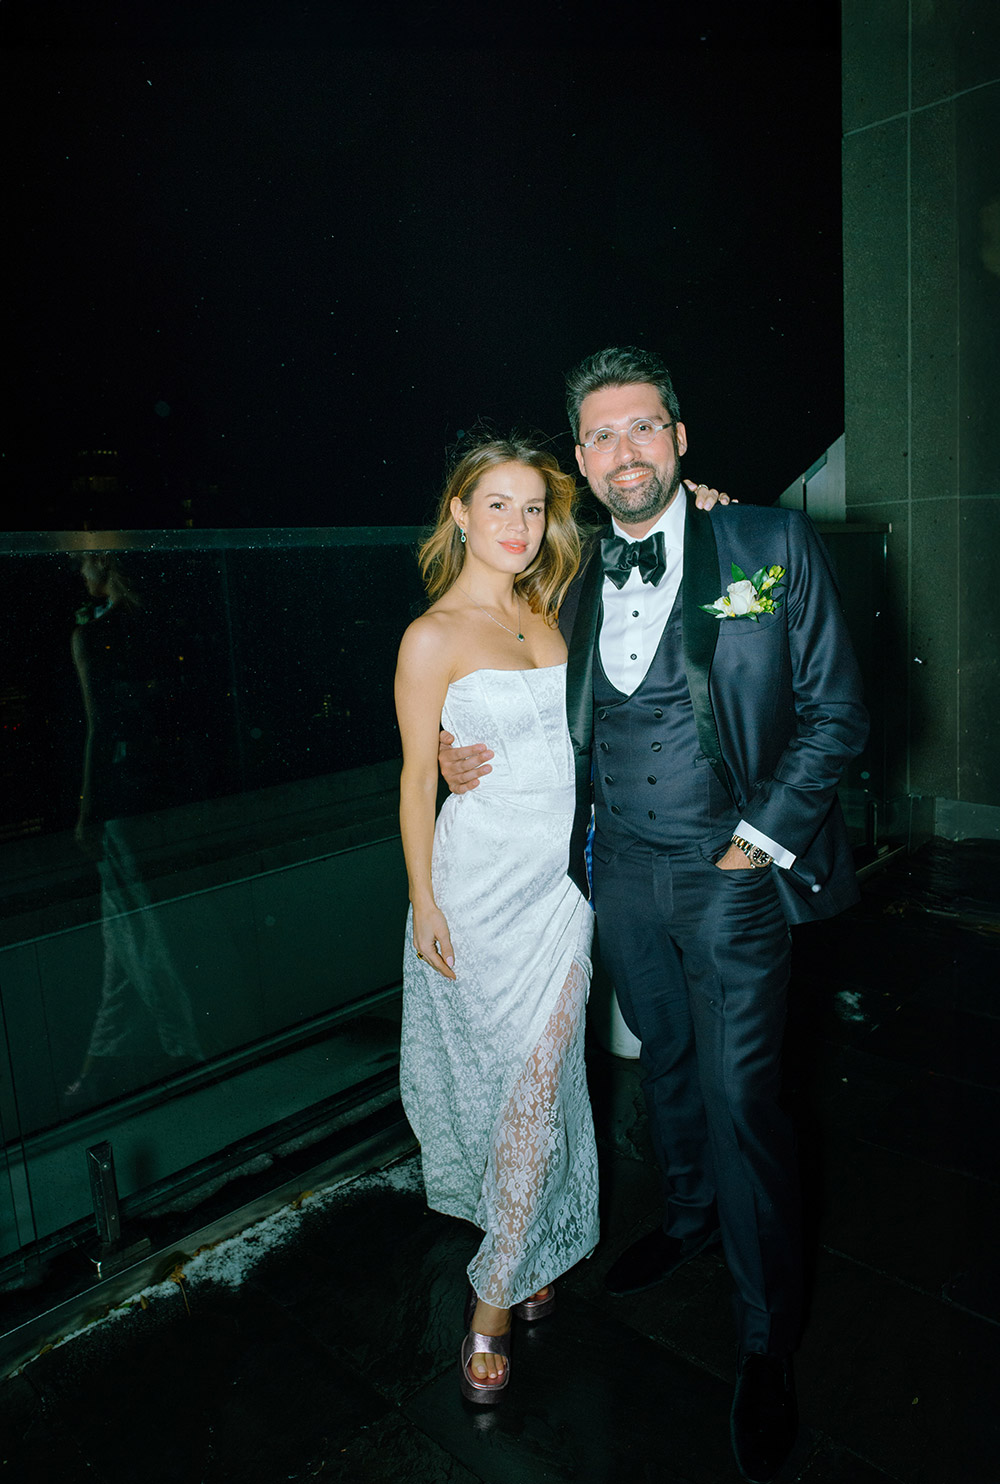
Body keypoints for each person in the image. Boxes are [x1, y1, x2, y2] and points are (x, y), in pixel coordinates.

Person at [440, 348, 868, 1481]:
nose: (624, 451)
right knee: (665, 1062)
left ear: (679, 438)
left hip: (733, 875)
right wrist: (449, 742)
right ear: (579, 460)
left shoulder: (768, 543)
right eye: (601, 436)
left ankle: (765, 1336)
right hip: (617, 873)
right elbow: (509, 679)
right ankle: (684, 1213)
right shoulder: (571, 577)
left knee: (742, 1097)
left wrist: (757, 836)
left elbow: (837, 713)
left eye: (643, 428)